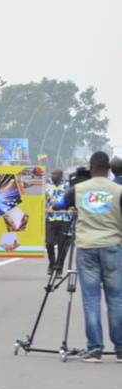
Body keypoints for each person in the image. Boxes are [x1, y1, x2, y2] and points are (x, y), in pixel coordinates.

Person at [52, 151, 122, 362]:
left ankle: (94, 350)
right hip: (112, 247)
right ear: (108, 169)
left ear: (91, 168)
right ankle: (120, 349)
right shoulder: (118, 190)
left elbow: (56, 206)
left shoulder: (78, 189)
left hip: (86, 248)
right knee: (116, 300)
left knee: (91, 300)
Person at [45, 168, 73, 275]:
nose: (51, 175)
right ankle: (52, 263)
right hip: (50, 219)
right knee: (49, 243)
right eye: (51, 173)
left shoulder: (68, 187)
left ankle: (59, 267)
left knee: (63, 245)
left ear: (60, 176)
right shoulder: (46, 187)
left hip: (64, 219)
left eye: (54, 174)